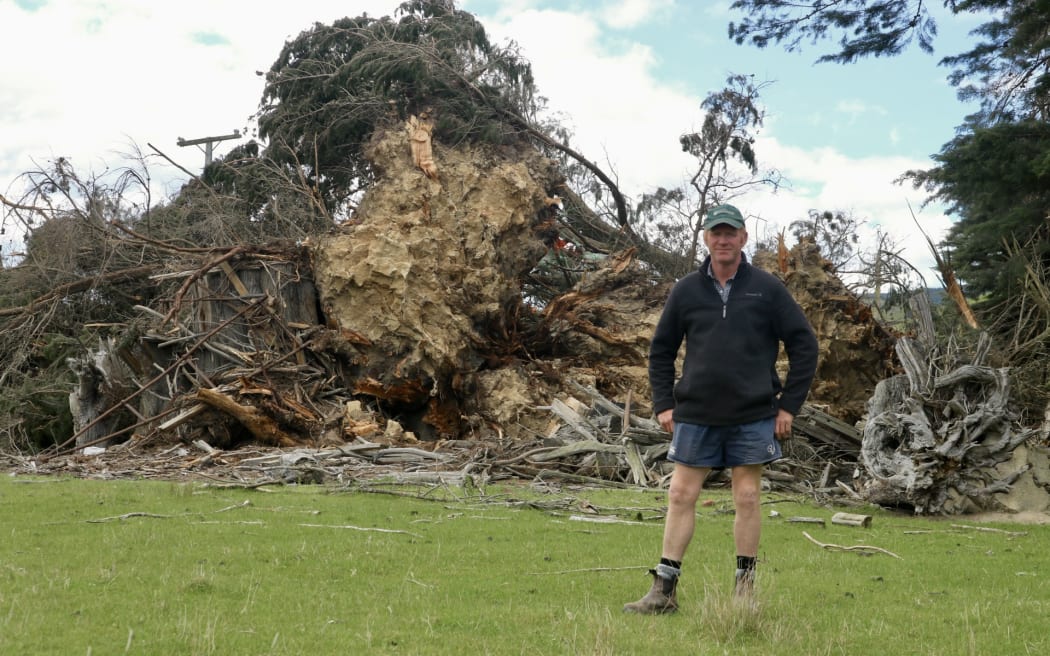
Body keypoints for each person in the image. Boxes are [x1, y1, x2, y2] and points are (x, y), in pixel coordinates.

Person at [623, 203, 818, 614]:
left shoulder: (767, 288)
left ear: (744, 238)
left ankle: (744, 588)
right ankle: (664, 590)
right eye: (716, 232)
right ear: (706, 238)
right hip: (696, 413)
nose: (723, 239)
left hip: (753, 414)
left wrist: (789, 407)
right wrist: (663, 403)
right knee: (679, 493)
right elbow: (661, 351)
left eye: (731, 233)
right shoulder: (686, 290)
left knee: (747, 497)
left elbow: (805, 345)